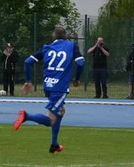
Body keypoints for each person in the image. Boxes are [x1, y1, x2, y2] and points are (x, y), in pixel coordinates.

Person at [12, 25, 84, 153]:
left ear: (53, 37)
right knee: (51, 120)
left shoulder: (47, 47)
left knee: (61, 111)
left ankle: (54, 145)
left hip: (48, 86)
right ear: (66, 36)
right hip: (59, 87)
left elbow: (27, 62)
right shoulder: (71, 46)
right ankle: (26, 116)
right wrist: (77, 79)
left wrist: (28, 81)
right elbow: (80, 63)